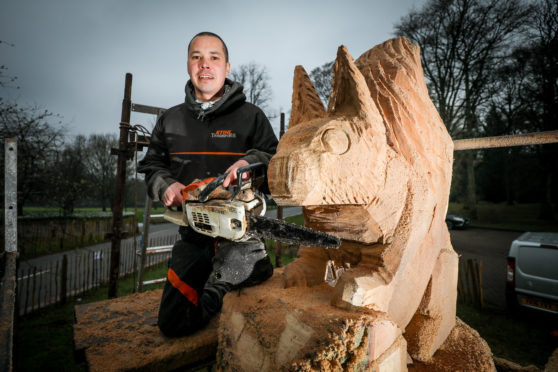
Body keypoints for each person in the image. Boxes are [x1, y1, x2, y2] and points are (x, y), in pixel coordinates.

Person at [138, 31, 278, 337]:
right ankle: (221, 287)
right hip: (193, 232)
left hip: (240, 235)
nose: (205, 65)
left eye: (214, 57)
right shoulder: (170, 120)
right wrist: (166, 186)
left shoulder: (251, 116)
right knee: (173, 323)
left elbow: (275, 158)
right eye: (197, 57)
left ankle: (251, 266)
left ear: (227, 68)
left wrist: (249, 162)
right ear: (188, 65)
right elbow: (152, 165)